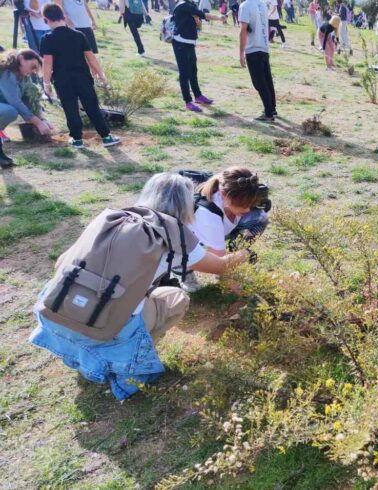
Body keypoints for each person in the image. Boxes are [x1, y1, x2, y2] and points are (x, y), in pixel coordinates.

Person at [29, 173, 251, 400]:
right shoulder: (175, 235)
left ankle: (79, 350)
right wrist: (246, 251)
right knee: (176, 298)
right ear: (186, 204)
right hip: (102, 330)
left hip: (54, 314)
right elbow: (220, 266)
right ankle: (128, 361)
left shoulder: (110, 217)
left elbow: (60, 263)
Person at [40, 4, 120, 150]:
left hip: (62, 80)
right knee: (92, 107)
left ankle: (77, 139)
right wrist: (101, 74)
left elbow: (47, 63)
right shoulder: (79, 35)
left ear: (46, 19)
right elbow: (91, 58)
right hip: (83, 77)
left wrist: (46, 83)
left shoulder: (47, 38)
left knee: (70, 108)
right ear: (63, 16)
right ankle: (106, 137)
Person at [182, 167, 269, 291]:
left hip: (214, 230)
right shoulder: (208, 216)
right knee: (187, 254)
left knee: (260, 218)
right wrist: (241, 291)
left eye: (250, 204)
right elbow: (219, 264)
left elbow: (254, 213)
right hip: (185, 242)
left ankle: (233, 258)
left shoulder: (238, 192)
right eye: (242, 205)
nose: (247, 210)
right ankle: (184, 268)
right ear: (224, 195)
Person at [0, 49, 54, 167]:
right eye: (33, 66)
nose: (33, 71)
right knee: (10, 111)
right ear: (21, 59)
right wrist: (38, 122)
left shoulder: (24, 76)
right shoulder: (5, 73)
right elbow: (15, 101)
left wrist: (42, 119)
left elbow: (31, 97)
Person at [171, 0, 224, 112]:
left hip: (190, 43)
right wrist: (219, 17)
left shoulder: (191, 5)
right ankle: (188, 101)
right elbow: (203, 15)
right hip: (180, 43)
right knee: (184, 73)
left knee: (193, 71)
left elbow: (199, 25)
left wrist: (197, 21)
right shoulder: (183, 5)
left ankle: (198, 96)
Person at [239, 0, 277, 122]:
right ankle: (272, 109)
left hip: (253, 48)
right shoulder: (262, 4)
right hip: (264, 47)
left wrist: (241, 53)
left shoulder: (245, 6)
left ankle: (268, 114)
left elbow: (243, 30)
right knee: (267, 81)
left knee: (259, 83)